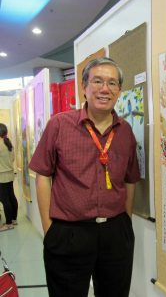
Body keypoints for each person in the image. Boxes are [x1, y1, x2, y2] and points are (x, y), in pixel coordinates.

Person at [29, 57, 140, 297]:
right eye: (97, 81)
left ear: (119, 90)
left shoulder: (125, 132)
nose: (104, 89)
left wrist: (125, 224)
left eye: (112, 83)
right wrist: (50, 231)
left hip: (115, 233)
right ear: (84, 87)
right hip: (69, 233)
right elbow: (43, 176)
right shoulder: (59, 125)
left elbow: (130, 180)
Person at [0, 123, 18, 232]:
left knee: (4, 199)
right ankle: (13, 219)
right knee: (11, 196)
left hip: (2, 175)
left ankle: (8, 223)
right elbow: (12, 158)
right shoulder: (8, 142)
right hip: (10, 174)